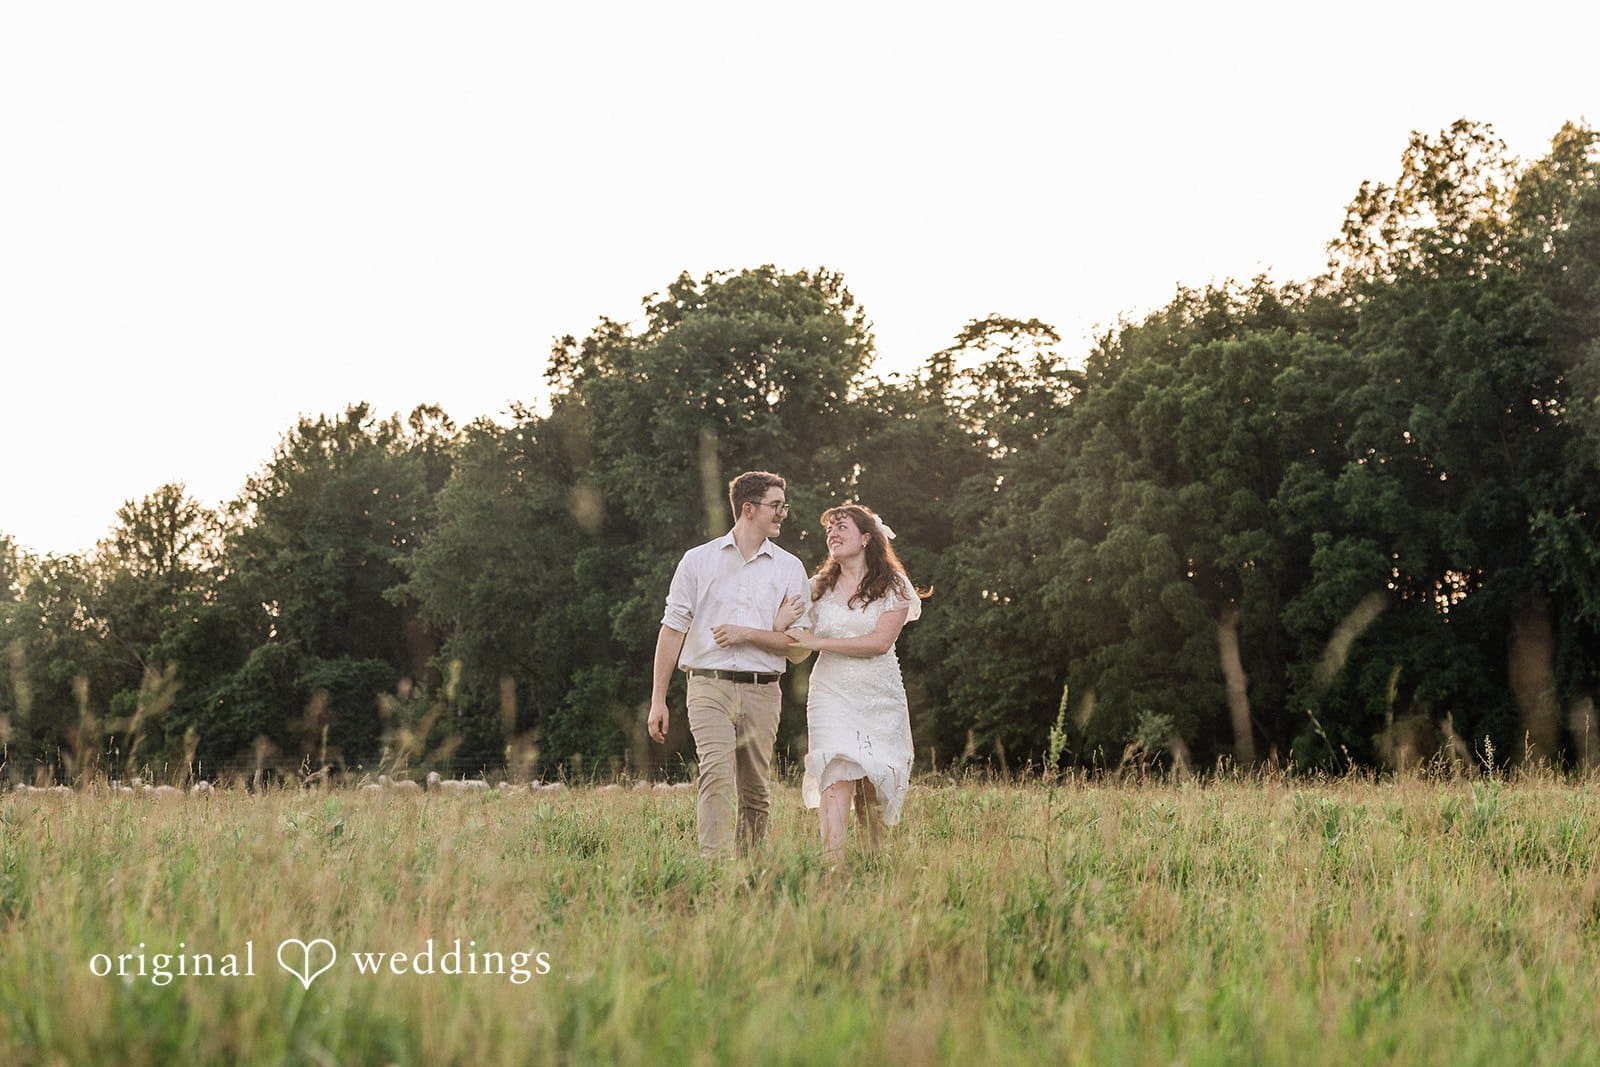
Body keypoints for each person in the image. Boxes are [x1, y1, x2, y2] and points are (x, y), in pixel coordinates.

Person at [648, 471, 809, 857]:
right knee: (717, 775)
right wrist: (657, 699)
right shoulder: (697, 561)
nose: (783, 513)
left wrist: (752, 633)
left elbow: (800, 649)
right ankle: (715, 868)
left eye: (783, 506)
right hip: (708, 685)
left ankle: (750, 871)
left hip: (763, 689)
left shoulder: (790, 568)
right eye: (775, 506)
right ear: (748, 509)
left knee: (755, 789)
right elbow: (672, 630)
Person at [785, 504, 924, 863]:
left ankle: (870, 860)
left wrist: (819, 642)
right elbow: (794, 639)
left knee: (871, 782)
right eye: (829, 529)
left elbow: (879, 643)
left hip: (879, 694)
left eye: (841, 526)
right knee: (835, 769)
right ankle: (833, 863)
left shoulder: (894, 586)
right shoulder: (816, 588)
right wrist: (783, 624)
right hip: (829, 693)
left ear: (865, 538)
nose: (832, 533)